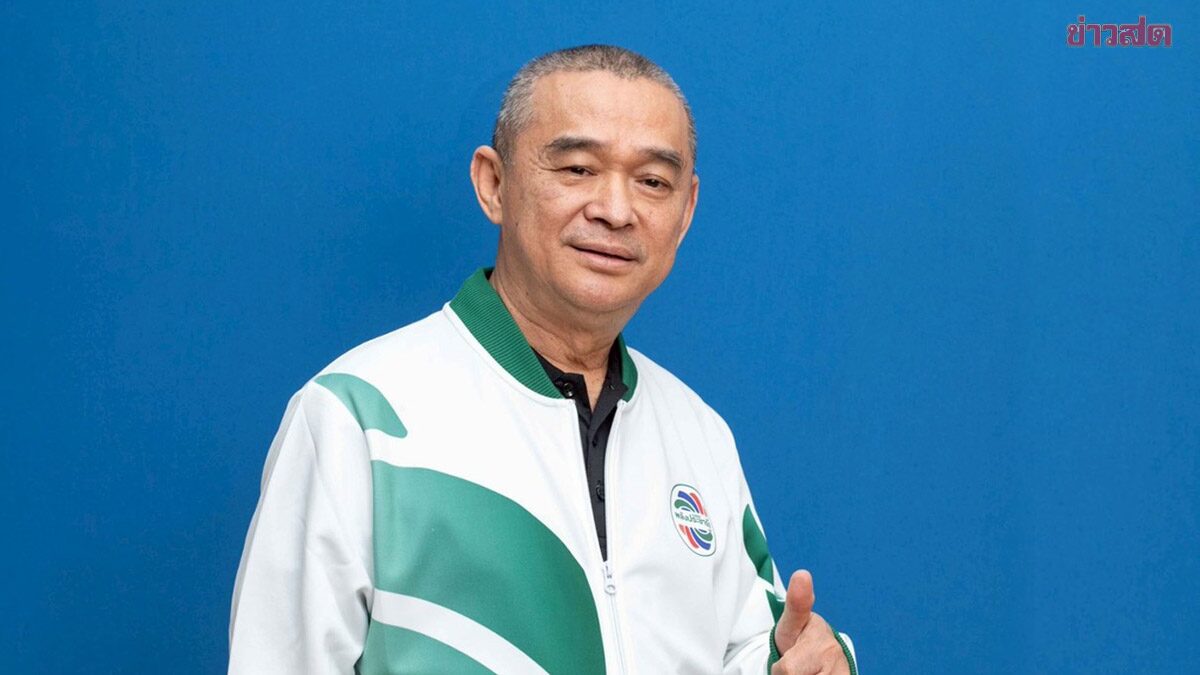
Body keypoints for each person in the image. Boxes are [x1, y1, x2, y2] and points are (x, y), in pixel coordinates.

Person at [228, 44, 858, 675]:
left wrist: (806, 661)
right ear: (494, 184)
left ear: (686, 210)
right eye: (578, 168)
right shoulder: (357, 417)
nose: (616, 210)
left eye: (652, 182)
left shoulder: (699, 433)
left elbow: (757, 649)